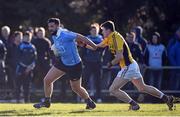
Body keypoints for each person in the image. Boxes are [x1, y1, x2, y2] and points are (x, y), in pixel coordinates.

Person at [96, 20, 175, 111]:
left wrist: (110, 63)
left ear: (108, 30)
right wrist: (84, 44)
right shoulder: (109, 38)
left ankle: (134, 104)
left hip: (128, 66)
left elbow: (119, 56)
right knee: (142, 87)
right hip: (132, 65)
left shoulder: (115, 38)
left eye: (103, 30)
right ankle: (167, 98)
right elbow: (97, 46)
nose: (102, 32)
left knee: (113, 89)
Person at [33, 18, 97, 109]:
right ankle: (47, 102)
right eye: (49, 26)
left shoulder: (65, 34)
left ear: (57, 26)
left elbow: (82, 38)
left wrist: (94, 47)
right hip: (63, 62)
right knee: (47, 80)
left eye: (52, 26)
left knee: (76, 88)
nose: (50, 28)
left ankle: (89, 102)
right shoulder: (54, 35)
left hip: (75, 65)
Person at [81, 23, 103, 102]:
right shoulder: (87, 38)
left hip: (97, 62)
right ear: (90, 31)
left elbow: (102, 50)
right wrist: (83, 60)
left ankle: (99, 98)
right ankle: (83, 97)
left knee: (98, 81)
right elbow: (83, 51)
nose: (94, 32)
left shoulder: (101, 39)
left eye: (96, 30)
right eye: (93, 30)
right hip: (88, 62)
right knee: (85, 81)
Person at [15, 31, 37, 103]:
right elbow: (17, 58)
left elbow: (35, 59)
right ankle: (18, 100)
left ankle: (26, 101)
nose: (27, 38)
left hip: (29, 70)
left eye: (28, 37)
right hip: (20, 69)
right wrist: (25, 66)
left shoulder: (32, 47)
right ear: (23, 37)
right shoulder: (20, 46)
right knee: (18, 85)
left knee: (27, 86)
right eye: (25, 37)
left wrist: (30, 67)